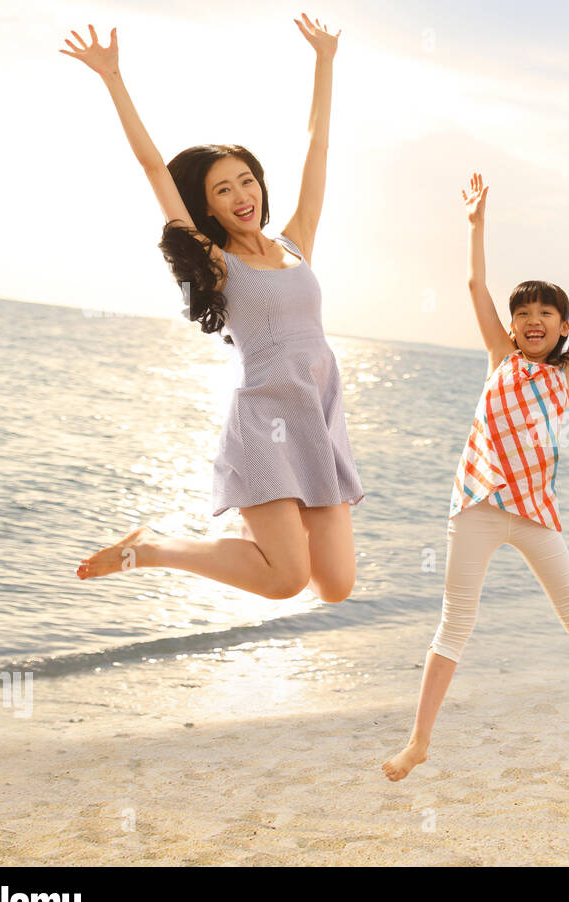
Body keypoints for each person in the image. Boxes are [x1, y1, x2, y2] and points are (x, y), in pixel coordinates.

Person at [63, 17, 365, 603]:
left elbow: (317, 148)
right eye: (222, 190)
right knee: (286, 579)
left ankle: (238, 538)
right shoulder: (216, 262)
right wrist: (113, 78)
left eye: (245, 181)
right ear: (207, 208)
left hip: (319, 417)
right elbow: (155, 168)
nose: (240, 195)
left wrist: (325, 62)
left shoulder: (296, 243)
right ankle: (151, 546)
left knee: (335, 586)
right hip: (262, 420)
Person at [383, 173, 569, 782]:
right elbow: (476, 284)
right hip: (477, 503)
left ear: (560, 327)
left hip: (534, 510)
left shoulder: (567, 373)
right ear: (511, 327)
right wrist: (476, 223)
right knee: (455, 619)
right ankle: (419, 740)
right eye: (524, 313)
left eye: (547, 313)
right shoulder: (499, 358)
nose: (535, 319)